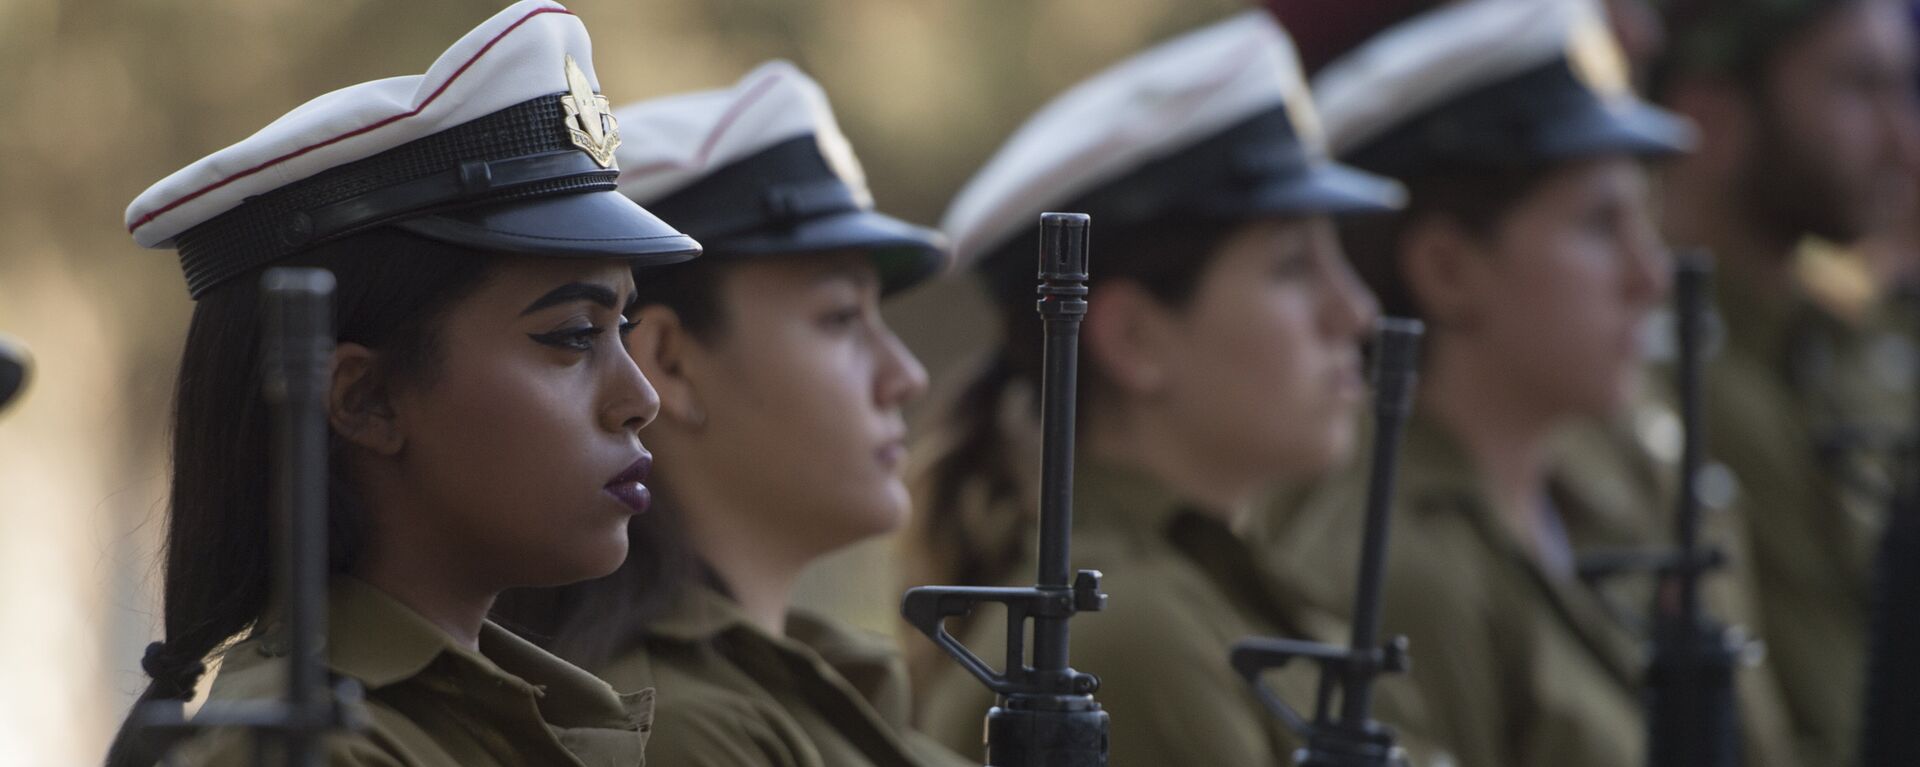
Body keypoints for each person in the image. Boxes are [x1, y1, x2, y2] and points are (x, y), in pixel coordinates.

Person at [101, 2, 701, 764]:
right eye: (573, 336)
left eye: (621, 328)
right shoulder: (305, 750)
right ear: (364, 397)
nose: (640, 400)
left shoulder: (495, 721)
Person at [906, 12, 1454, 766]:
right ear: (1135, 338)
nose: (1355, 312)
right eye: (1293, 267)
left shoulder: (1216, 592)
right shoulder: (1136, 636)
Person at [1254, 1, 1707, 765]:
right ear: (1447, 269)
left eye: (1646, 218)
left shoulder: (1596, 484)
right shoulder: (1400, 573)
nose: (1650, 274)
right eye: (1601, 226)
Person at [491, 62, 971, 767]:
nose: (905, 376)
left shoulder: (812, 686)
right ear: (672, 363)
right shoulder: (681, 731)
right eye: (840, 318)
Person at [1651, 0, 1919, 762]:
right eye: (1857, 89)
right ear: (1712, 115)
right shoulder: (1633, 376)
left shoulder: (1855, 345)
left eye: (1904, 91)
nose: (1904, 142)